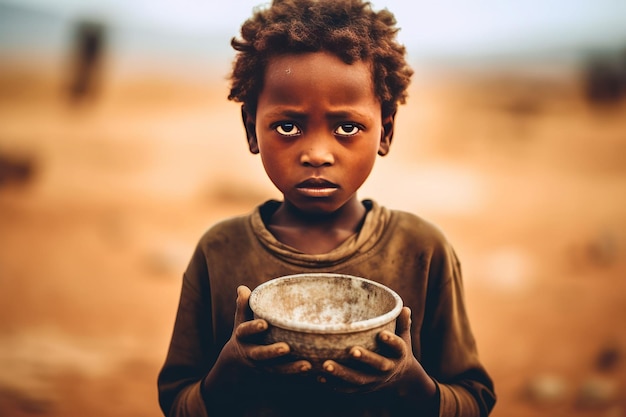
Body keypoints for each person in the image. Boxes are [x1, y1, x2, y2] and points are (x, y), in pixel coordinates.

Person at [157, 0, 496, 416]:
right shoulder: (220, 251)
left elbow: (474, 399)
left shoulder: (422, 251)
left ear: (386, 131)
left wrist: (412, 384)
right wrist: (228, 372)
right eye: (288, 126)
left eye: (346, 127)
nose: (317, 153)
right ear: (251, 129)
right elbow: (177, 401)